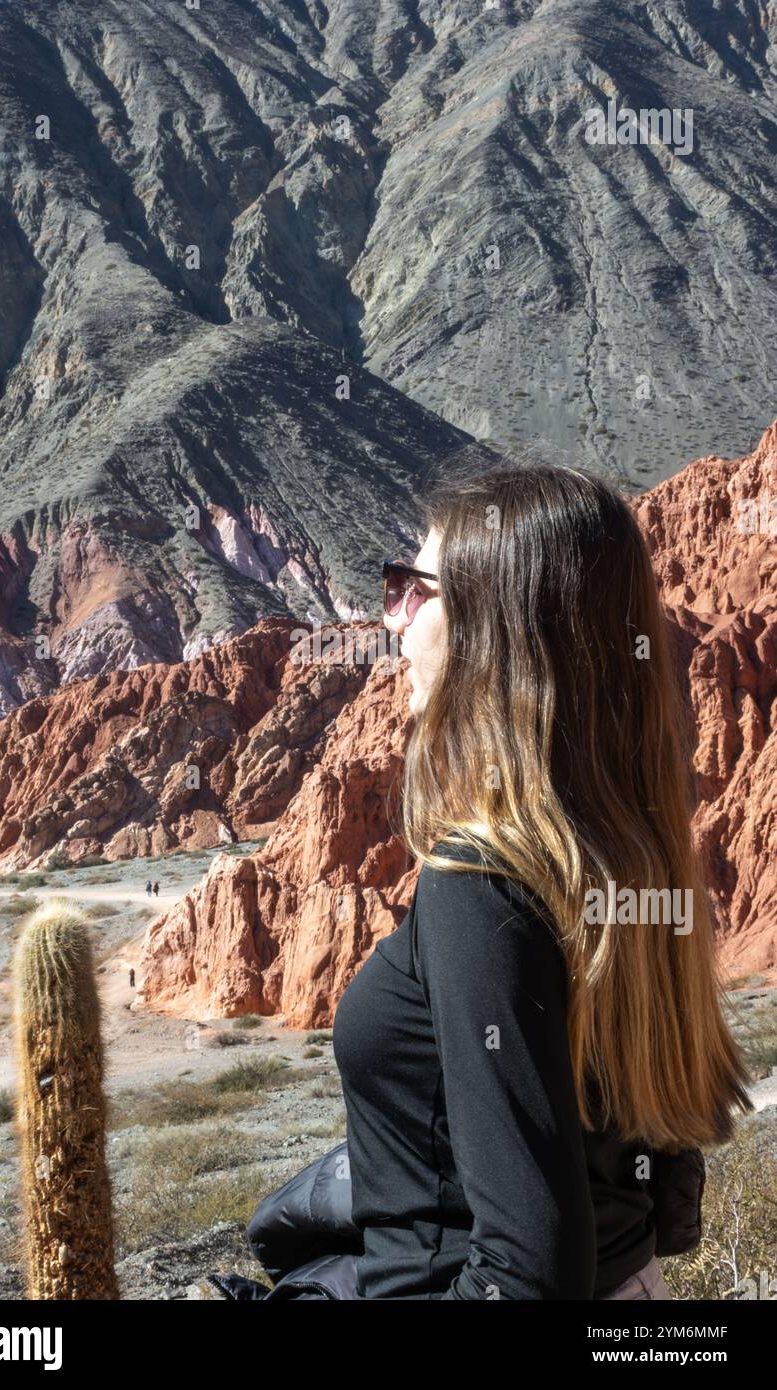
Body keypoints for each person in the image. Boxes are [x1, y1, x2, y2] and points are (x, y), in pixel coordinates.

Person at [329, 446, 754, 1300]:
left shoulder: (480, 883)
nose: (395, 619)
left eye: (414, 589)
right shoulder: (623, 853)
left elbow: (528, 1268)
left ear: (496, 629)